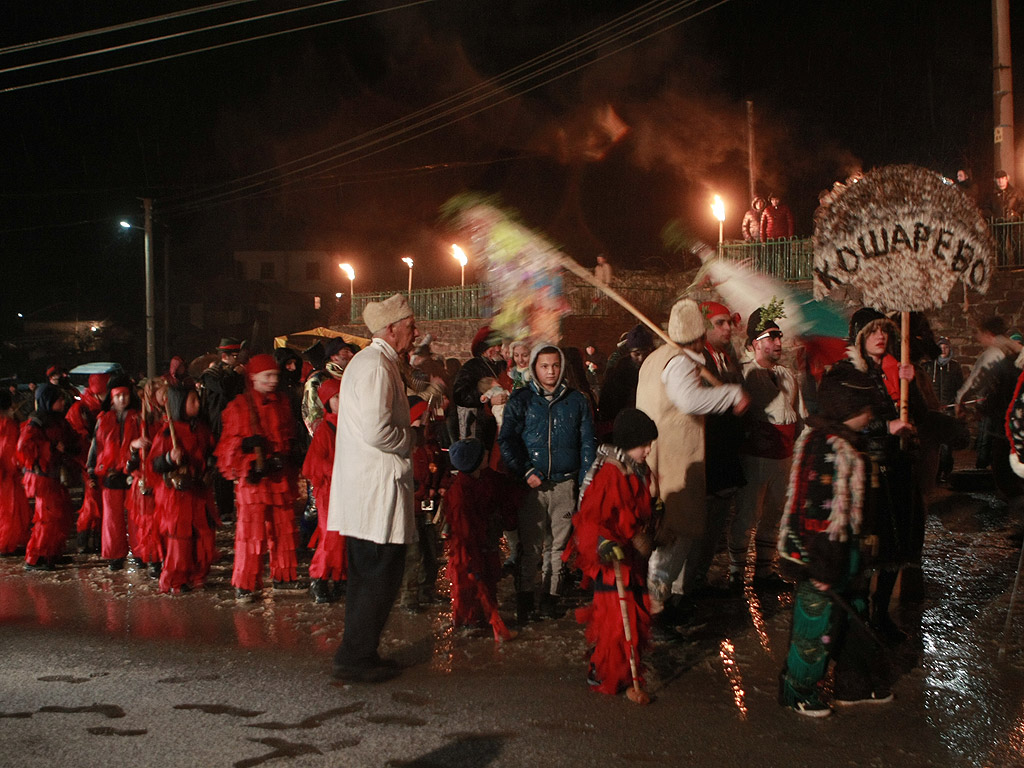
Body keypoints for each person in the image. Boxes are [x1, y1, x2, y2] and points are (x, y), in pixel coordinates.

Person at [777, 368, 892, 717]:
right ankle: (798, 689)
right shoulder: (829, 449)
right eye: (866, 409)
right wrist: (824, 565)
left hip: (846, 555)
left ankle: (853, 684)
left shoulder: (842, 442)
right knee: (816, 626)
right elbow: (816, 514)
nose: (870, 416)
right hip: (820, 558)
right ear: (847, 409)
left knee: (853, 617)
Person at [636, 299, 747, 635]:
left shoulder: (657, 359)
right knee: (674, 534)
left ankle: (661, 603)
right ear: (699, 333)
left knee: (665, 532)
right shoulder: (680, 362)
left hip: (657, 459)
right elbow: (688, 400)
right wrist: (730, 396)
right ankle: (655, 610)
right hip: (675, 458)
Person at [328, 293, 419, 683]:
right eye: (411, 327)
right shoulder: (377, 366)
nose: (415, 333)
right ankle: (355, 656)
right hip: (375, 491)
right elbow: (378, 430)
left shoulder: (373, 362)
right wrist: (410, 439)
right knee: (379, 575)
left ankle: (359, 650)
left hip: (368, 490)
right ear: (392, 329)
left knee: (370, 575)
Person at [830, 309, 921, 642]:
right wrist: (885, 425)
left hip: (897, 469)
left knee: (897, 547)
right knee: (869, 548)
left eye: (884, 331)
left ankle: (881, 613)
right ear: (859, 337)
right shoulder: (847, 373)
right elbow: (844, 419)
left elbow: (915, 414)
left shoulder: (893, 370)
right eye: (872, 332)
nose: (880, 337)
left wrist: (912, 384)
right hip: (867, 471)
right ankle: (859, 616)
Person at [498, 342, 596, 623]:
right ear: (534, 368)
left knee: (558, 547)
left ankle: (551, 597)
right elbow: (508, 440)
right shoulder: (522, 399)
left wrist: (584, 479)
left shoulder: (576, 401)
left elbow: (587, 442)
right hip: (532, 486)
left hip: (564, 483)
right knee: (530, 547)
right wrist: (525, 470)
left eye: (555, 365)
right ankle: (526, 598)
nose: (550, 371)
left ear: (562, 366)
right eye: (544, 366)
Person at [568, 408, 658, 698]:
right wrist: (603, 543)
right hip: (612, 561)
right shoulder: (611, 473)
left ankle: (623, 667)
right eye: (644, 444)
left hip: (631, 556)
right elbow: (592, 518)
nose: (648, 450)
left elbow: (636, 507)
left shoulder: (637, 470)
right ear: (629, 443)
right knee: (614, 619)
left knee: (631, 613)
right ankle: (604, 669)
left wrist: (652, 513)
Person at [730, 307, 805, 591]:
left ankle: (764, 572)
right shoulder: (746, 374)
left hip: (783, 457)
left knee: (775, 513)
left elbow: (799, 417)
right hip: (755, 457)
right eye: (770, 337)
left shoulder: (787, 375)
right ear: (754, 344)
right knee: (748, 513)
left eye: (779, 337)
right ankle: (736, 574)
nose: (777, 343)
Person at [215, 354, 301, 600]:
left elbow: (288, 435)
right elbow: (228, 448)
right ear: (253, 377)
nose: (273, 381)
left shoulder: (282, 403)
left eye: (275, 375)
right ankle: (246, 582)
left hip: (279, 476)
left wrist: (290, 452)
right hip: (253, 481)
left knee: (283, 528)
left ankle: (284, 575)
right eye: (267, 376)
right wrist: (246, 454)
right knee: (251, 533)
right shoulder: (239, 407)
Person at [688, 301, 746, 595]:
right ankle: (689, 584)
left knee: (715, 526)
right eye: (719, 323)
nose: (727, 328)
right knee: (701, 525)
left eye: (728, 322)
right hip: (707, 456)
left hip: (726, 456)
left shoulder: (727, 358)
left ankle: (700, 575)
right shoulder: (697, 361)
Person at [444, 437, 520, 642]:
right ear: (474, 462)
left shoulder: (480, 479)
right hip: (469, 551)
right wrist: (469, 558)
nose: (488, 454)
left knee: (486, 584)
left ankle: (478, 623)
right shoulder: (460, 493)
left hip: (483, 545)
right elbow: (462, 531)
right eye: (483, 454)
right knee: (470, 590)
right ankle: (469, 627)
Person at [150, 385, 217, 594]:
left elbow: (212, 451)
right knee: (180, 539)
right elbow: (154, 464)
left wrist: (210, 464)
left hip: (199, 492)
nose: (197, 404)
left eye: (197, 400)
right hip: (177, 496)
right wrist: (169, 458)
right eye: (192, 401)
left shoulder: (203, 429)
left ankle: (199, 575)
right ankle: (175, 579)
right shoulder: (167, 433)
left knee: (203, 535)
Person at [18, 384, 79, 571]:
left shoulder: (57, 420)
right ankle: (36, 557)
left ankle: (52, 552)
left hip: (54, 476)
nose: (62, 402)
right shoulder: (36, 423)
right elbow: (24, 449)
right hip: (43, 478)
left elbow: (72, 440)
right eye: (58, 399)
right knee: (47, 517)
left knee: (60, 515)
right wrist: (52, 447)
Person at [88, 376, 142, 570]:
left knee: (137, 516)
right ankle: (115, 554)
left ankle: (140, 552)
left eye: (125, 395)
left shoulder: (137, 417)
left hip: (133, 472)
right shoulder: (103, 419)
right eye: (118, 395)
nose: (122, 399)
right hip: (110, 473)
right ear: (111, 397)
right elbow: (95, 446)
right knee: (112, 518)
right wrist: (91, 469)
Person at [301, 378, 347, 604]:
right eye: (337, 397)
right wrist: (339, 469)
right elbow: (314, 464)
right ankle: (318, 578)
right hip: (329, 491)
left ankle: (339, 577)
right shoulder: (324, 429)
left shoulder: (348, 426)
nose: (342, 400)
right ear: (328, 401)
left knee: (345, 535)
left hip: (347, 489)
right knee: (332, 536)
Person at [200, 338, 246, 523]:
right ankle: (224, 509)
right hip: (218, 425)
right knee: (221, 468)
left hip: (236, 424)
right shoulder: (210, 374)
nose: (236, 359)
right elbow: (224, 389)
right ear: (225, 356)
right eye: (234, 356)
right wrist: (235, 373)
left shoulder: (238, 372)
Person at [66, 373, 108, 554]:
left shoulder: (99, 408)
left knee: (98, 500)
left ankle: (93, 539)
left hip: (102, 460)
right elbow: (75, 435)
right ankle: (85, 540)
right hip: (87, 461)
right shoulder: (81, 409)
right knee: (92, 501)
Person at [452, 325, 509, 448]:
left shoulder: (502, 365)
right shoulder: (471, 367)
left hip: (502, 424)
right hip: (480, 426)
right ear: (486, 348)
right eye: (496, 345)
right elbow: (460, 395)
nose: (499, 349)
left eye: (500, 345)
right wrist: (487, 399)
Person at [598, 325, 654, 430]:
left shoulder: (657, 366)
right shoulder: (620, 371)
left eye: (645, 353)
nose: (641, 358)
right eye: (636, 354)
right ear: (629, 352)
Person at [301, 338, 358, 437]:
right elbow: (312, 415)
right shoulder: (317, 380)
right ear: (334, 357)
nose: (351, 355)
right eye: (346, 351)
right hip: (329, 436)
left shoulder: (352, 377)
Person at [0, 389, 31, 555]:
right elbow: (11, 450)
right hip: (8, 476)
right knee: (11, 510)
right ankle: (7, 543)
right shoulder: (9, 425)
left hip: (5, 474)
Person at [931, 337, 965, 482]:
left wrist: (959, 404)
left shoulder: (955, 367)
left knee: (946, 445)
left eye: (946, 347)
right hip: (933, 410)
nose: (943, 349)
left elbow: (960, 388)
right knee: (934, 444)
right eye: (941, 347)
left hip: (949, 409)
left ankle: (945, 470)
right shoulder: (929, 366)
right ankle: (935, 472)